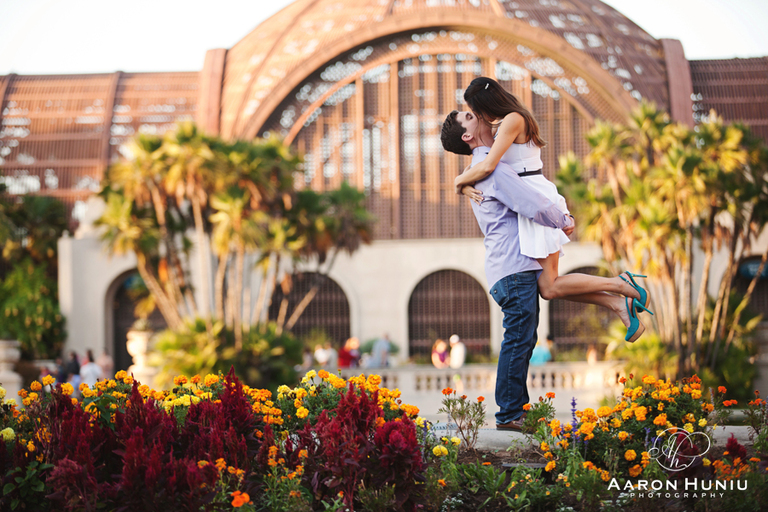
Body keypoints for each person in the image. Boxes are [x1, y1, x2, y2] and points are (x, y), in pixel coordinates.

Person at [446, 77, 653, 343]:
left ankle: (620, 285)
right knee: (548, 287)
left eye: (476, 110)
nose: (479, 117)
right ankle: (617, 303)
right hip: (530, 201)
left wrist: (457, 182)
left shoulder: (512, 120)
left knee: (550, 285)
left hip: (536, 199)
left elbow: (488, 167)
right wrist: (462, 184)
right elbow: (479, 165)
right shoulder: (505, 123)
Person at [441, 111, 575, 431]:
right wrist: (563, 219)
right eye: (471, 117)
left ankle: (515, 410)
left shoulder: (480, 169)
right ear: (467, 136)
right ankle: (510, 414)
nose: (481, 116)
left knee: (523, 340)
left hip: (509, 269)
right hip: (513, 269)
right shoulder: (491, 170)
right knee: (518, 340)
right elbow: (530, 201)